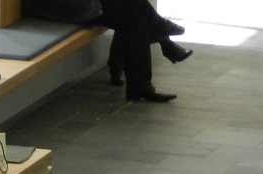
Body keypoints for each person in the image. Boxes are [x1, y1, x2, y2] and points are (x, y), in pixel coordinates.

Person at [22, 0, 191, 102]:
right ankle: (162, 32)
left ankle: (140, 85)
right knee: (133, 14)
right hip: (56, 6)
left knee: (135, 20)